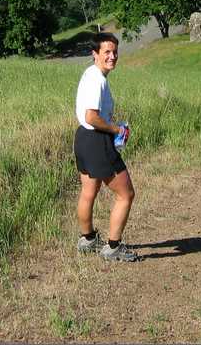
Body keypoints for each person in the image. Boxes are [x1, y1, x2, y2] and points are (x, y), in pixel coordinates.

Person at [74, 32, 138, 261]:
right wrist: (116, 130)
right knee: (126, 194)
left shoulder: (91, 74)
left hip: (82, 139)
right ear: (95, 54)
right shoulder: (97, 80)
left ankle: (88, 239)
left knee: (88, 192)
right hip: (96, 140)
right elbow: (91, 116)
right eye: (107, 52)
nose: (112, 56)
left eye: (115, 51)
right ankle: (113, 247)